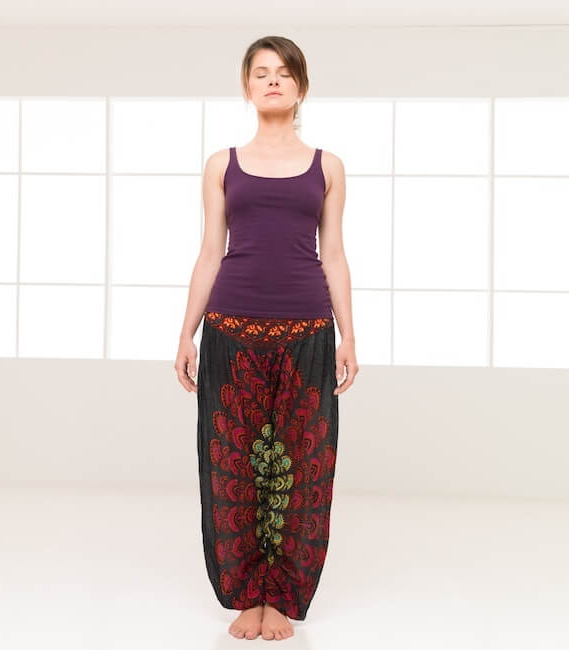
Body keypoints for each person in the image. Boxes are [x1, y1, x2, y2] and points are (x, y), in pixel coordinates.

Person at [175, 35, 358, 642]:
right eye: (261, 72)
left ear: (300, 87)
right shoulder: (221, 164)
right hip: (231, 328)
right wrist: (187, 334)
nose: (272, 80)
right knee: (232, 462)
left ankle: (280, 596)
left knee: (300, 465)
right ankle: (245, 592)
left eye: (283, 72)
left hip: (307, 330)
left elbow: (334, 254)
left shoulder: (327, 166)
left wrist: (348, 337)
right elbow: (210, 252)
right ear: (247, 87)